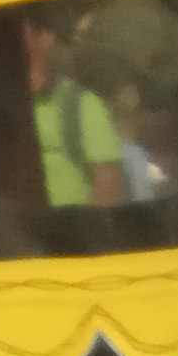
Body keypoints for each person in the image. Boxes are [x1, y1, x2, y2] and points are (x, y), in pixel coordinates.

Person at [23, 11, 128, 208]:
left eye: (13, 33)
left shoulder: (82, 106)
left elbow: (108, 193)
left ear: (44, 37)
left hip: (73, 234)